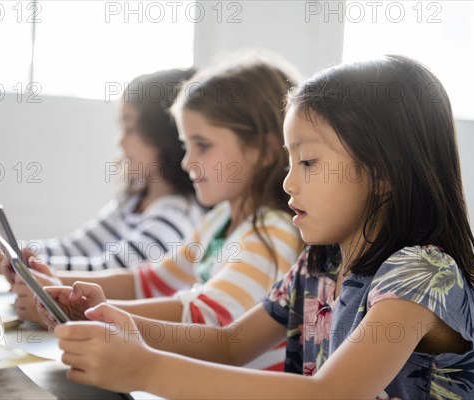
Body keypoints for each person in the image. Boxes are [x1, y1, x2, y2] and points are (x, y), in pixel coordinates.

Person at [43, 55, 474, 398]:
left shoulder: (421, 275)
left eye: (308, 161)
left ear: (383, 170)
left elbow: (331, 394)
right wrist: (121, 322)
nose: (287, 181)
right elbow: (229, 343)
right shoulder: (318, 263)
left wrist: (144, 370)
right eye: (289, 162)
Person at [30, 56, 303, 369]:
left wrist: (97, 314)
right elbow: (147, 281)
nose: (187, 162)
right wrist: (55, 287)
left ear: (264, 150)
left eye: (202, 145)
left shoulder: (270, 235)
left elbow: (205, 319)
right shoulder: (220, 221)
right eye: (186, 146)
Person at [0, 68, 206, 287]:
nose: (120, 141)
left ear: (166, 135)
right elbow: (73, 248)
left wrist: (3, 261)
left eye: (130, 128)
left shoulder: (175, 217)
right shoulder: (133, 201)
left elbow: (107, 273)